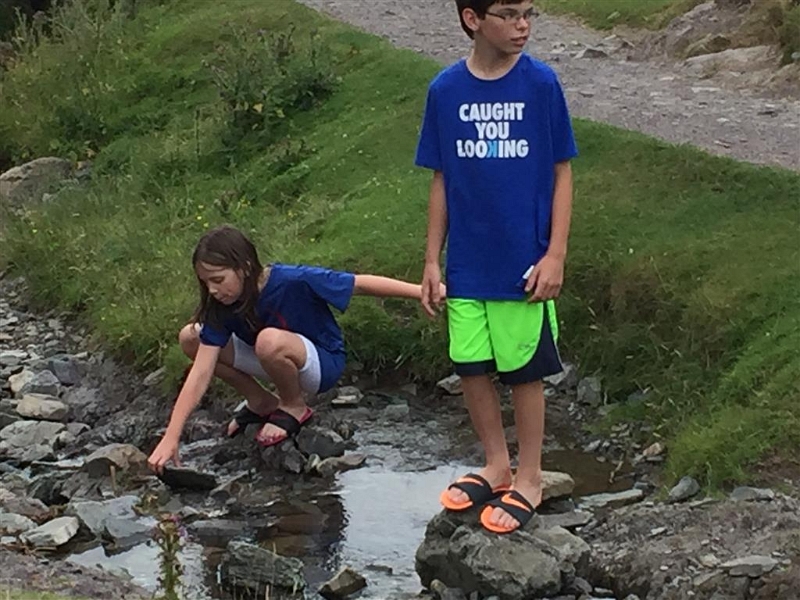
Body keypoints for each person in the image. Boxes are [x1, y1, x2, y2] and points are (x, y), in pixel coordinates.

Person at [415, 0, 577, 534]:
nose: (522, 25)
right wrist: (432, 260)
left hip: (523, 262)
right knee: (470, 364)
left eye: (529, 12)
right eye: (508, 14)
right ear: (472, 19)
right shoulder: (445, 91)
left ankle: (529, 477)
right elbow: (441, 179)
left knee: (523, 369)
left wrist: (555, 254)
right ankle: (496, 464)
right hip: (467, 262)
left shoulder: (540, 84)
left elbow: (562, 171)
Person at [148, 224, 441, 473]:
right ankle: (261, 401)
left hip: (320, 364)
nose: (212, 290)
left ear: (245, 267)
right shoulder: (220, 304)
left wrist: (423, 292)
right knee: (191, 337)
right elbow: (201, 372)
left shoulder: (292, 280)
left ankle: (293, 405)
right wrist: (171, 436)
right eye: (205, 283)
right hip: (272, 355)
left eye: (218, 280)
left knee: (268, 341)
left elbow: (359, 284)